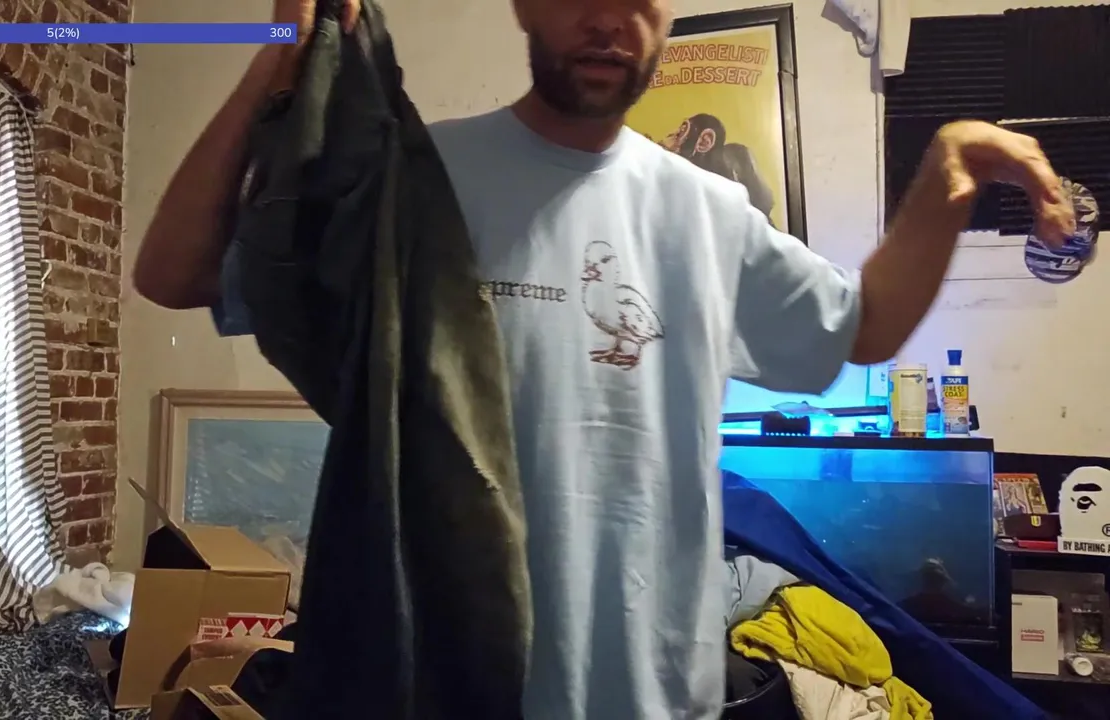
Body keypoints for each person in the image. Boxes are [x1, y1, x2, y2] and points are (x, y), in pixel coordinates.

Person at [133, 0, 1074, 717]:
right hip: (436, 684)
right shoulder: (413, 183)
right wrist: (278, 60)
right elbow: (174, 272)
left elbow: (861, 329)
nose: (606, 18)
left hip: (652, 695)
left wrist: (944, 176)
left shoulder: (707, 213)